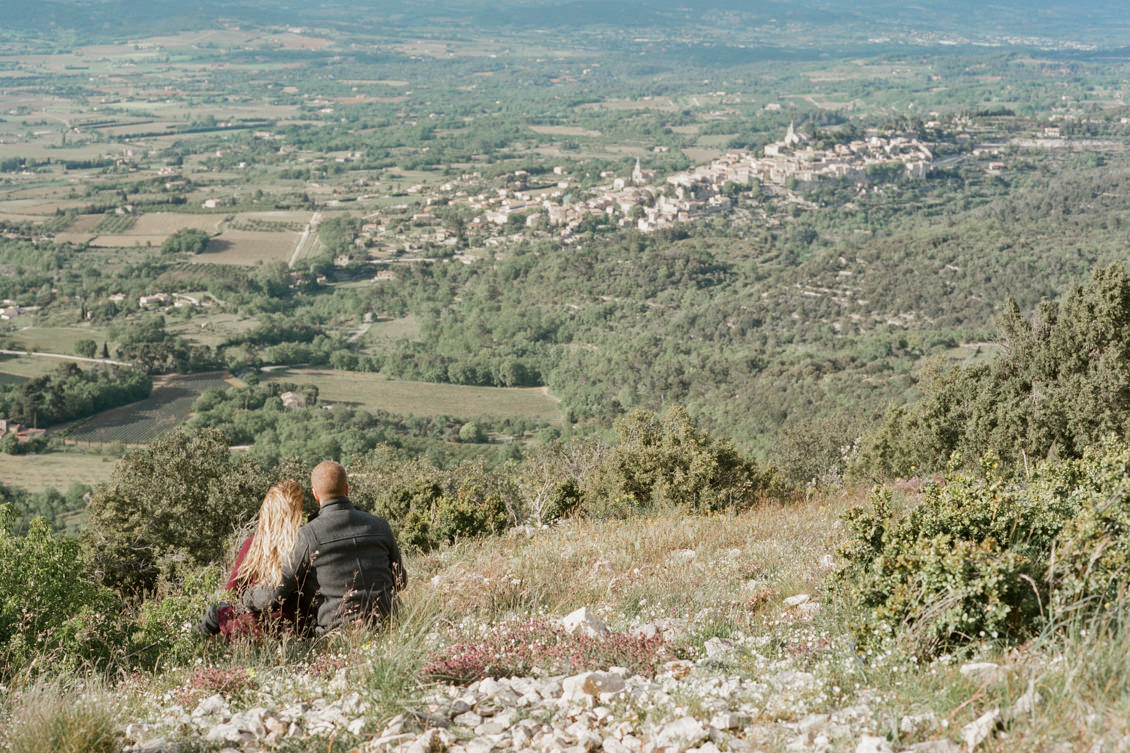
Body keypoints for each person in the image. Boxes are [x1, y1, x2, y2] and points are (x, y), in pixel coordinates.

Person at [242, 460, 406, 634]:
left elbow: (274, 593)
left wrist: (246, 598)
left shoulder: (307, 535)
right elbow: (400, 581)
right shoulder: (381, 526)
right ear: (347, 489)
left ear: (315, 495)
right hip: (391, 627)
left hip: (338, 634)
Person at [196, 480, 309, 638]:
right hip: (298, 627)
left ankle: (194, 642)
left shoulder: (254, 545)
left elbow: (231, 592)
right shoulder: (304, 544)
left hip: (255, 626)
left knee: (216, 611)